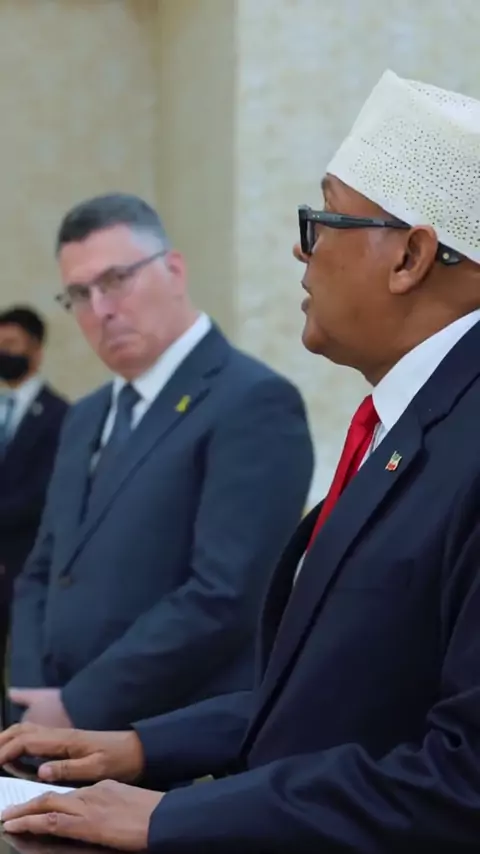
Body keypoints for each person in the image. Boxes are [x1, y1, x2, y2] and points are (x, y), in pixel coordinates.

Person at [4, 69, 480, 852]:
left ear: (411, 257)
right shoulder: (407, 423)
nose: (300, 250)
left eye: (321, 220)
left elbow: (461, 781)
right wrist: (142, 746)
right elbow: (332, 692)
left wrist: (171, 814)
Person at [7, 193, 313, 734]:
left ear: (173, 270)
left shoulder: (253, 402)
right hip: (52, 731)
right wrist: (31, 698)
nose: (100, 310)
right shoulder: (85, 415)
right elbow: (44, 567)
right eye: (79, 294)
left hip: (173, 741)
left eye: (116, 280)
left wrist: (78, 705)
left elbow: (225, 596)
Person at [0, 307, 68, 697]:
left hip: (26, 566)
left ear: (36, 350)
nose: (3, 353)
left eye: (11, 344)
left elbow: (45, 492)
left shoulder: (61, 415)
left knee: (24, 672)